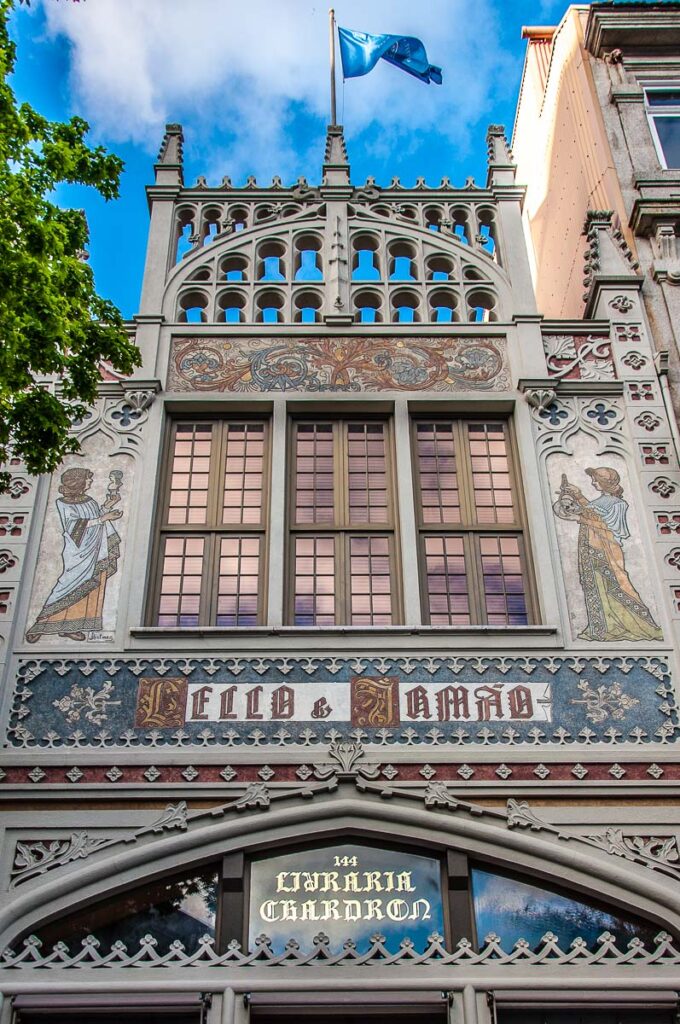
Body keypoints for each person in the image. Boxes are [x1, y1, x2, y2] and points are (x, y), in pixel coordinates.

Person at [553, 466, 662, 642]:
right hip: (590, 548)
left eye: (596, 479)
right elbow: (590, 513)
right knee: (595, 587)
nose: (593, 482)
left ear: (606, 483)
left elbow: (607, 527)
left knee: (616, 584)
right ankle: (600, 627)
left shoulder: (618, 504)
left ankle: (638, 625)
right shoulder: (600, 501)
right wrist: (574, 498)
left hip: (606, 551)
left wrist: (578, 513)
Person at [26, 468, 122, 642]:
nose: (91, 482)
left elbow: (96, 515)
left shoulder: (90, 500)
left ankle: (72, 626)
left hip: (95, 549)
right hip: (78, 552)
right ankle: (40, 624)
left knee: (93, 585)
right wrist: (104, 518)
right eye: (88, 479)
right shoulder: (63, 504)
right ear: (78, 482)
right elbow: (74, 527)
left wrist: (108, 506)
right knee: (67, 585)